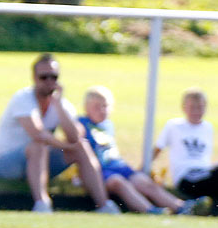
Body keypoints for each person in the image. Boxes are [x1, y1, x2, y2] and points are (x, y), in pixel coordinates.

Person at [0, 54, 119, 214]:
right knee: (39, 146)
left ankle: (104, 205)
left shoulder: (61, 104)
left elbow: (76, 135)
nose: (49, 81)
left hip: (38, 161)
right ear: (34, 78)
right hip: (6, 163)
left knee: (81, 147)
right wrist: (67, 145)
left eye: (54, 77)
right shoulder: (22, 98)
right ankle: (42, 203)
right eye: (44, 77)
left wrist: (57, 105)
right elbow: (38, 134)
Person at [79, 86, 197, 215]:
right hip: (100, 171)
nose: (102, 110)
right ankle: (149, 210)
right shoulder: (82, 123)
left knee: (142, 180)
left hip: (117, 165)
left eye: (105, 106)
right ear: (86, 107)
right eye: (97, 106)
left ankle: (180, 206)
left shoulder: (108, 125)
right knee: (118, 182)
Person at [153, 88, 218, 218]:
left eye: (200, 107)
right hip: (187, 179)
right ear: (184, 107)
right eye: (192, 107)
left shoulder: (207, 127)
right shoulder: (174, 126)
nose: (196, 111)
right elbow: (157, 149)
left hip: (204, 175)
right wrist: (142, 169)